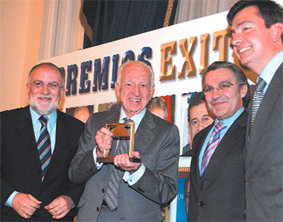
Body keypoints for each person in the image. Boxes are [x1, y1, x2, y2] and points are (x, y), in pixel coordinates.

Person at [68, 60, 180, 221]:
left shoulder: (166, 132)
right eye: (129, 84)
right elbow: (75, 174)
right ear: (117, 88)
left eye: (143, 85)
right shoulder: (95, 122)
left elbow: (167, 193)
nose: (136, 92)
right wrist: (97, 154)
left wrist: (138, 170)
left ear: (151, 91)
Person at [1, 63, 85, 221]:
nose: (45, 91)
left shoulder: (78, 129)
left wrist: (71, 199)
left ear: (62, 92)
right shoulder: (4, 123)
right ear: (27, 88)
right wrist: (12, 198)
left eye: (53, 85)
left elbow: (84, 175)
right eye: (38, 83)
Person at [227, 1, 283, 220]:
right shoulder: (260, 91)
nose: (235, 40)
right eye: (233, 33)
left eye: (246, 28)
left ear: (276, 30)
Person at [188, 61, 249, 221]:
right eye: (209, 89)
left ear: (242, 90)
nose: (215, 95)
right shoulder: (201, 137)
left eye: (224, 86)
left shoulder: (255, 130)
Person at [182, 92, 214, 156]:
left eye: (205, 119)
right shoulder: (182, 162)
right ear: (189, 128)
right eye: (195, 122)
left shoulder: (232, 156)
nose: (200, 127)